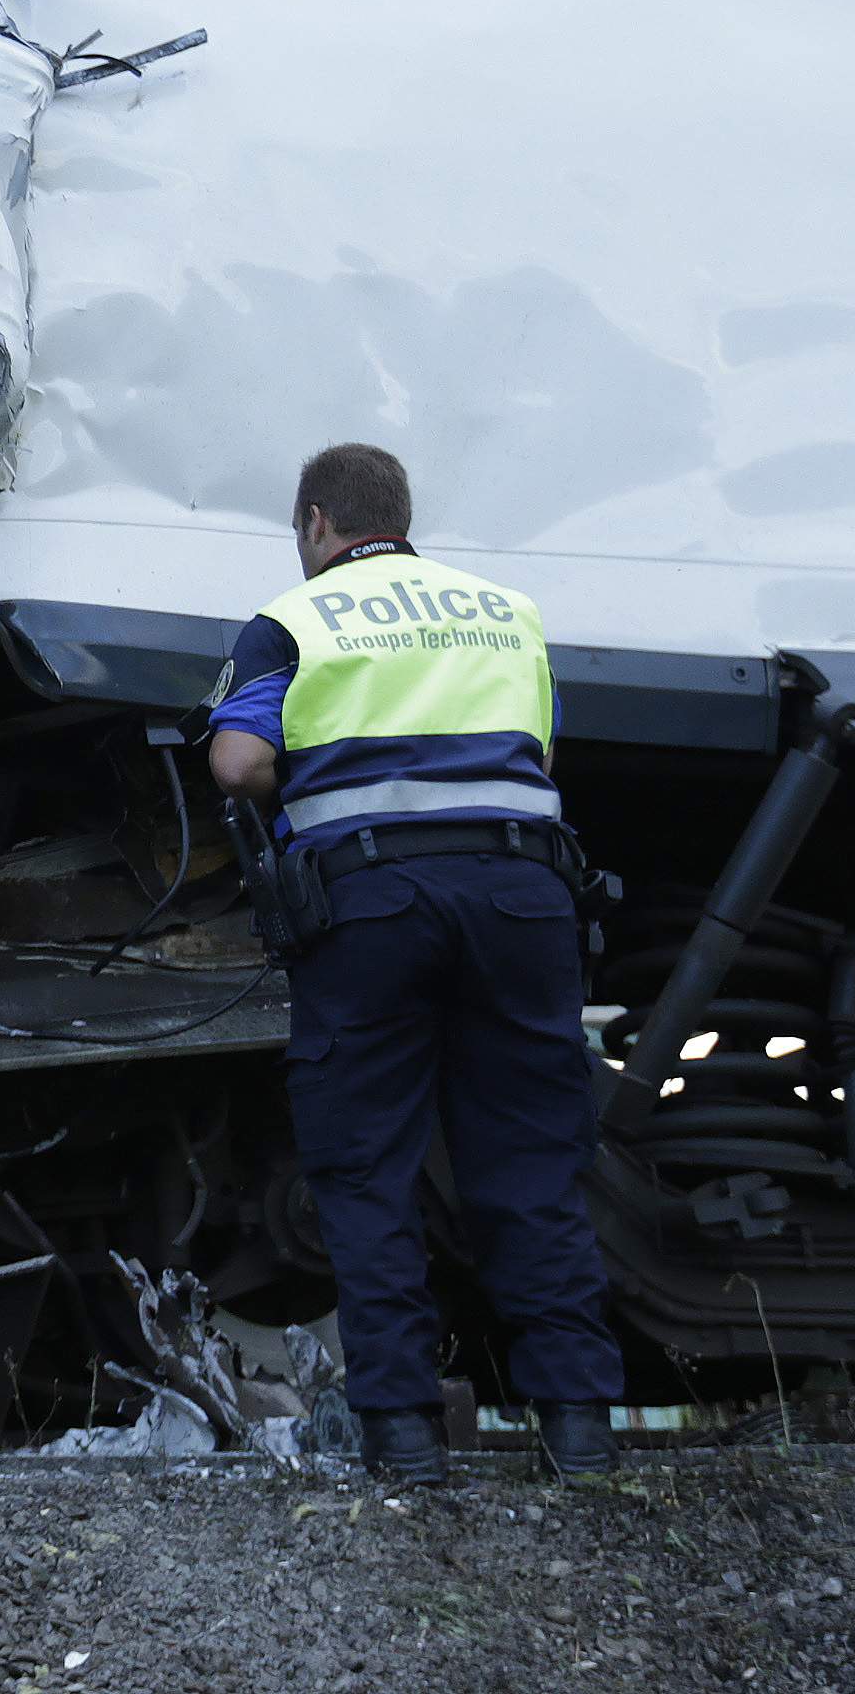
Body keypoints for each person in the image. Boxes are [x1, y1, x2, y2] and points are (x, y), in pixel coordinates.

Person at [203, 442, 623, 1484]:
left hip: (373, 903)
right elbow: (536, 751)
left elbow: (237, 762)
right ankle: (576, 1430)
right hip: (520, 896)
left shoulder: (292, 621)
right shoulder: (501, 612)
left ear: (313, 526)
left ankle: (400, 1437)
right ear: (398, 514)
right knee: (529, 1159)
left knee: (364, 1166)